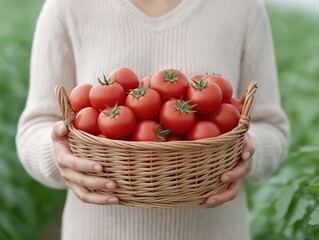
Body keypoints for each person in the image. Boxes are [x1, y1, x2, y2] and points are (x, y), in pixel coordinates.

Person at [16, 0, 290, 239]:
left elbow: (272, 127)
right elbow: (34, 126)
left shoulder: (243, 7)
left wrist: (245, 152)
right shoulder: (66, 6)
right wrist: (58, 155)